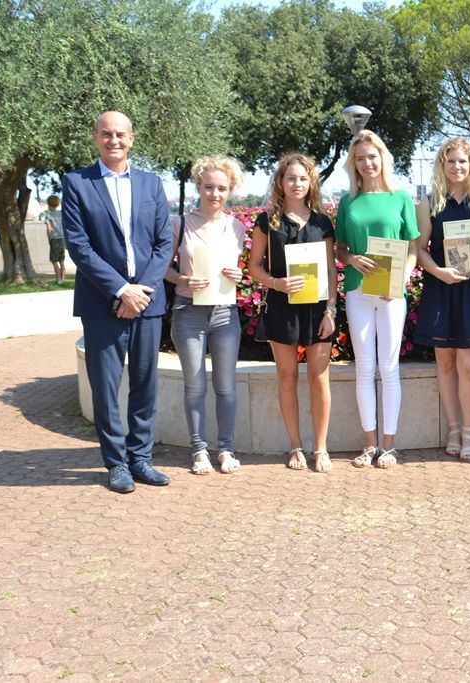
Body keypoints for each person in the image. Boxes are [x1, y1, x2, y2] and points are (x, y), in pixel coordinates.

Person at [63, 111, 173, 494]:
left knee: (145, 384)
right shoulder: (77, 183)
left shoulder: (151, 184)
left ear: (132, 138)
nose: (114, 141)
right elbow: (79, 246)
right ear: (96, 137)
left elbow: (164, 243)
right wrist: (121, 290)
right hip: (101, 304)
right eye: (107, 134)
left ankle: (141, 458)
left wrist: (139, 291)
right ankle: (116, 464)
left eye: (121, 135)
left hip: (147, 303)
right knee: (106, 388)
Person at [248, 154, 338, 473]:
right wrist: (277, 283)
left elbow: (330, 269)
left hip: (318, 308)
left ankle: (321, 448)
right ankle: (295, 445)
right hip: (281, 306)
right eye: (291, 178)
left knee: (319, 377)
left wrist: (331, 310)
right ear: (280, 182)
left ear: (310, 182)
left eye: (303, 178)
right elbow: (254, 267)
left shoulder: (322, 223)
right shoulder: (267, 221)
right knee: (287, 377)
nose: (297, 184)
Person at [335, 130, 419, 469]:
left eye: (372, 156)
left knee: (389, 367)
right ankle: (369, 445)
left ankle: (389, 446)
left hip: (390, 293)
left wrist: (401, 280)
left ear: (382, 158)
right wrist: (351, 259)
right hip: (358, 290)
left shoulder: (401, 198)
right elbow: (340, 248)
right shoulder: (348, 202)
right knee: (365, 368)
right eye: (360, 158)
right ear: (353, 164)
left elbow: (413, 248)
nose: (367, 163)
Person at [413, 138, 470, 461]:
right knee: (446, 363)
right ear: (442, 165)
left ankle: (469, 431)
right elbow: (419, 249)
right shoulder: (429, 204)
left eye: (463, 161)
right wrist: (439, 272)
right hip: (441, 288)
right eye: (450, 161)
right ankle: (452, 428)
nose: (457, 167)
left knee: (467, 364)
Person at [164, 156, 246, 476]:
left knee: (226, 387)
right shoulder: (179, 224)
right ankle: (199, 450)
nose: (215, 193)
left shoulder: (236, 227)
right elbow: (163, 269)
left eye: (222, 188)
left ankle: (226, 449)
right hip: (188, 311)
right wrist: (183, 280)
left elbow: (238, 270)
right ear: (198, 186)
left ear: (230, 191)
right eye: (209, 187)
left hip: (225, 312)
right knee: (195, 386)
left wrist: (239, 276)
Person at [43, 195, 67, 284]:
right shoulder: (61, 213)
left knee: (54, 261)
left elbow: (49, 229)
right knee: (61, 261)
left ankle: (58, 279)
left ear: (48, 204)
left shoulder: (47, 214)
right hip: (63, 239)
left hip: (55, 239)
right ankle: (63, 279)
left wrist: (49, 239)